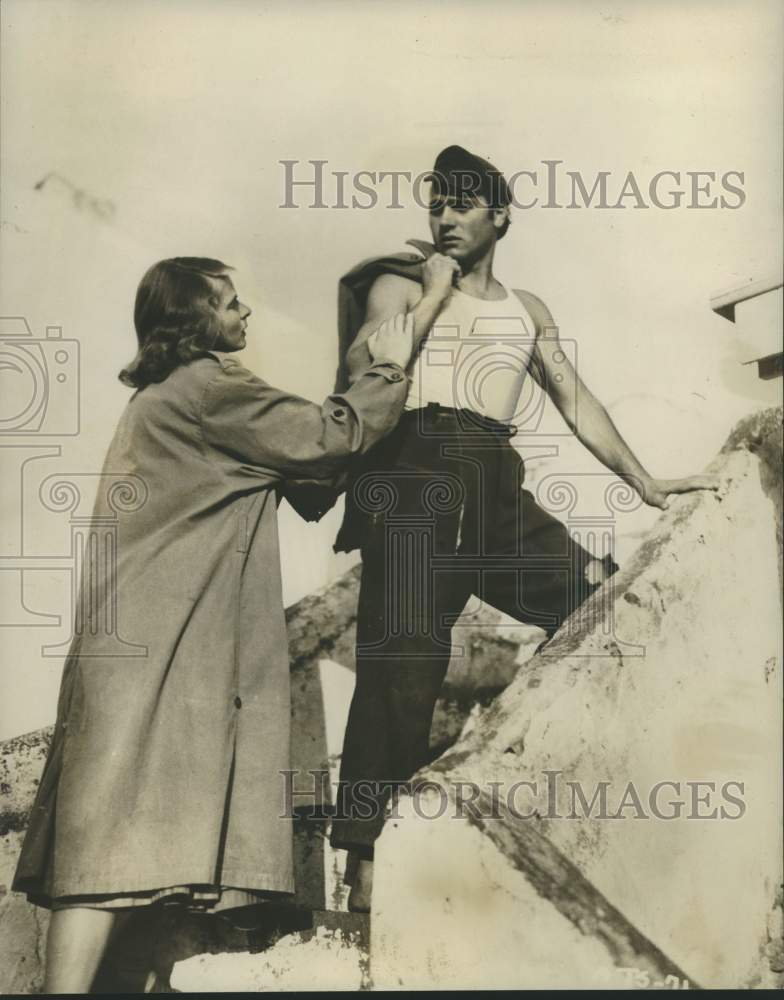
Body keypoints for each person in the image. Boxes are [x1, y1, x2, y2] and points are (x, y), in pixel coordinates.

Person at [328, 145, 719, 912]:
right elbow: (371, 367)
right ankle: (367, 868)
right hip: (413, 474)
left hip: (493, 478)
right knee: (401, 669)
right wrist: (432, 296)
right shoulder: (397, 286)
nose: (445, 217)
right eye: (436, 203)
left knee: (598, 604)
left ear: (499, 216)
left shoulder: (526, 308)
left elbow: (577, 402)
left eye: (462, 205)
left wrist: (643, 483)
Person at [12, 256, 414, 993]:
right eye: (230, 304)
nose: (245, 315)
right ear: (196, 320)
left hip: (144, 646)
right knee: (104, 860)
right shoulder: (209, 387)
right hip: (154, 651)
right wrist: (385, 369)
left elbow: (307, 475)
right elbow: (327, 437)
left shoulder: (170, 395)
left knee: (132, 851)